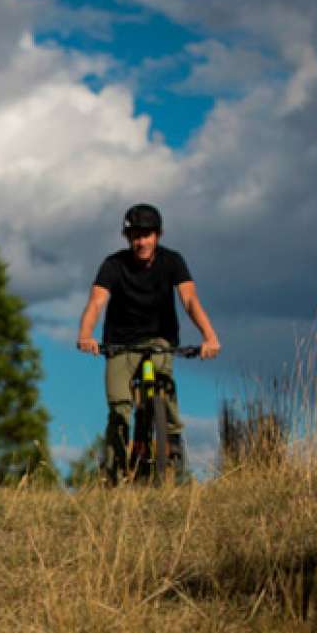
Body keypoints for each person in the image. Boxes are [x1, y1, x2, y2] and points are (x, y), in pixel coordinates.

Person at [76, 203, 220, 481]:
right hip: (120, 342)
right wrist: (85, 335)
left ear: (158, 235)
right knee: (119, 408)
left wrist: (209, 336)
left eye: (146, 235)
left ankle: (172, 445)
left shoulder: (172, 261)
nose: (141, 241)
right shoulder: (113, 264)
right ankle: (114, 475)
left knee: (162, 389)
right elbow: (96, 302)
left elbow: (189, 300)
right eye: (135, 236)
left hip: (159, 339)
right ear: (127, 238)